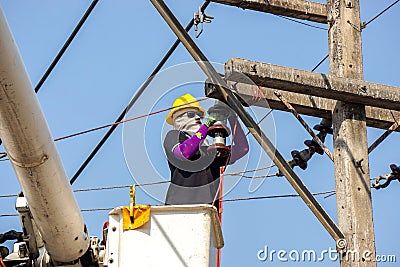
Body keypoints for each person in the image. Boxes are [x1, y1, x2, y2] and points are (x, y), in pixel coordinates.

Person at [163, 93, 249, 208]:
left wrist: (232, 117)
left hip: (206, 210)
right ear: (177, 118)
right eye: (191, 114)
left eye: (199, 115)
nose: (198, 118)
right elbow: (184, 153)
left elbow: (242, 148)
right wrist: (206, 127)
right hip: (179, 209)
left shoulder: (209, 151)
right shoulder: (173, 136)